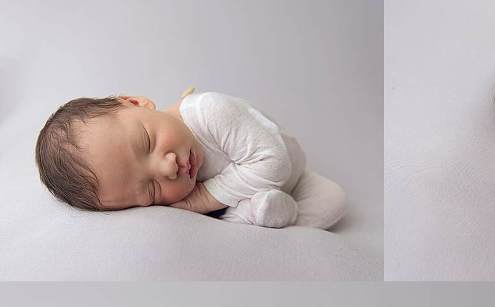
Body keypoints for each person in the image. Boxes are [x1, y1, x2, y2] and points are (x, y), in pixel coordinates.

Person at [35, 88, 346, 229]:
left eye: (147, 142)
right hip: (256, 193)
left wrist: (202, 199)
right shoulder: (177, 179)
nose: (168, 167)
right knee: (327, 204)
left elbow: (275, 163)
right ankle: (260, 213)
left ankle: (265, 211)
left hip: (292, 171)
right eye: (150, 191)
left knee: (334, 203)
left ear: (135, 102)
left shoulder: (210, 112)